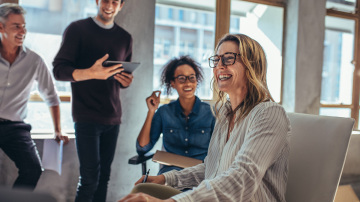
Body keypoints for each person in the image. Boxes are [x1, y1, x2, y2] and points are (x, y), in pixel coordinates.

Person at [119, 33, 291, 202]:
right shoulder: (224, 113)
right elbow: (211, 169)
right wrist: (166, 179)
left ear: (251, 64)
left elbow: (241, 179)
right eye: (216, 60)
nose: (219, 66)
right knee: (142, 190)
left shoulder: (269, 113)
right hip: (209, 195)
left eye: (228, 58)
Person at [52, 0, 133, 201]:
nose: (110, 5)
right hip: (86, 116)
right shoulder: (77, 29)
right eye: (106, 0)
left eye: (115, 2)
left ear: (121, 6)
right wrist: (90, 73)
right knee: (89, 179)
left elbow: (122, 76)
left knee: (103, 178)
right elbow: (59, 70)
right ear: (97, 1)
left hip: (113, 117)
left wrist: (126, 81)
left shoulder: (125, 37)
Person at [0, 3, 69, 190]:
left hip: (15, 127)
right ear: (1, 27)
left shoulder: (34, 60)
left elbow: (51, 97)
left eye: (24, 26)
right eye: (16, 26)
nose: (23, 31)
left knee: (32, 170)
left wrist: (57, 130)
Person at [136, 56, 215, 175]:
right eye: (181, 78)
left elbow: (221, 151)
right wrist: (151, 111)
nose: (188, 82)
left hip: (201, 175)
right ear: (172, 83)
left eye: (191, 78)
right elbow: (142, 148)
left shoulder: (211, 113)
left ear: (196, 81)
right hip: (170, 174)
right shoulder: (164, 112)